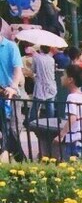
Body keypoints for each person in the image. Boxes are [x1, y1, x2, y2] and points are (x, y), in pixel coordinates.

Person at [0, 30, 26, 161]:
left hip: (10, 94)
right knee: (4, 132)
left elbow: (17, 69)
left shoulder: (11, 47)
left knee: (12, 130)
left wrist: (13, 87)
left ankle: (20, 161)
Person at [27, 42, 56, 125]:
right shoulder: (52, 59)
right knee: (50, 106)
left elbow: (33, 70)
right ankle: (51, 123)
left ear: (41, 48)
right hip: (51, 84)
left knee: (35, 106)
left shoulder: (36, 58)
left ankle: (32, 122)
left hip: (40, 84)